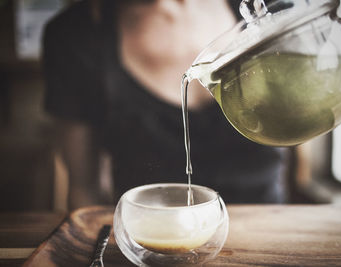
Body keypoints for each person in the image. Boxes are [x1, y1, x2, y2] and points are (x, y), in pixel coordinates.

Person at [43, 0, 289, 210]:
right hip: (151, 241)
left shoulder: (262, 8)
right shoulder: (74, 35)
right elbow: (84, 188)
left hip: (266, 228)